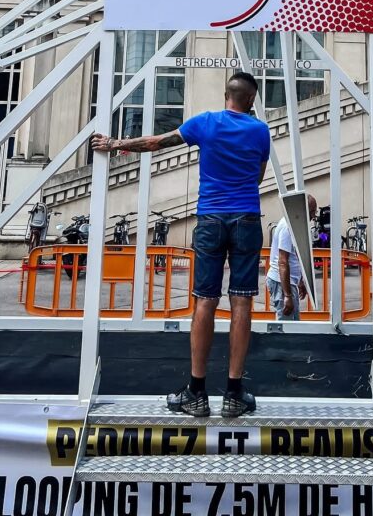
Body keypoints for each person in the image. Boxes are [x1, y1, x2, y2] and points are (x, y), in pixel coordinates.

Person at [91, 71, 269, 418]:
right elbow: (258, 176)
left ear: (226, 95)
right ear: (250, 101)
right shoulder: (260, 130)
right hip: (246, 218)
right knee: (242, 301)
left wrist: (114, 145)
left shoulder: (205, 123)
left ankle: (196, 393)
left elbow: (157, 142)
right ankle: (234, 393)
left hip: (210, 219)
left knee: (205, 301)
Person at [267, 195, 316, 320]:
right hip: (281, 283)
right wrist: (287, 295)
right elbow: (283, 262)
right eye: (312, 212)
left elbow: (294, 256)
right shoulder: (287, 227)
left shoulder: (294, 225)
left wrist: (300, 281)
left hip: (287, 283)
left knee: (293, 324)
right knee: (286, 327)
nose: (313, 216)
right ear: (302, 210)